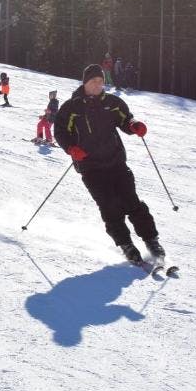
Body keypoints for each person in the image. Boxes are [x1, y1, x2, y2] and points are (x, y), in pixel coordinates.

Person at [53, 63, 165, 264]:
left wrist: (134, 126)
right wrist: (71, 148)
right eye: (93, 81)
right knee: (109, 206)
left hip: (116, 162)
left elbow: (125, 120)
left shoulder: (113, 103)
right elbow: (60, 132)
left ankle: (151, 240)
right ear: (85, 83)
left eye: (100, 81)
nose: (97, 85)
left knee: (132, 202)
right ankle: (126, 244)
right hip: (90, 167)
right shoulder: (71, 108)